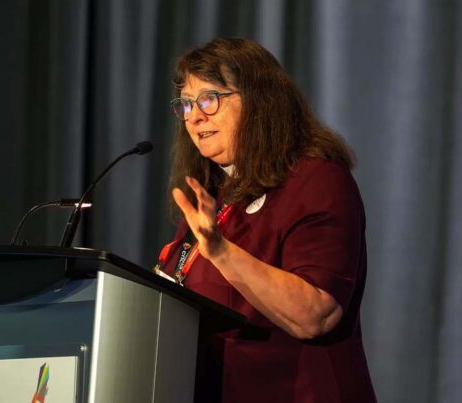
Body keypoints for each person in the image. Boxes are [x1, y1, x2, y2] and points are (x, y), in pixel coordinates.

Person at [155, 37, 377, 402]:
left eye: (209, 99)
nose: (194, 116)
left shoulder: (316, 180)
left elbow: (315, 314)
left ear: (259, 101)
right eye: (187, 104)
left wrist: (223, 254)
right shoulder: (216, 196)